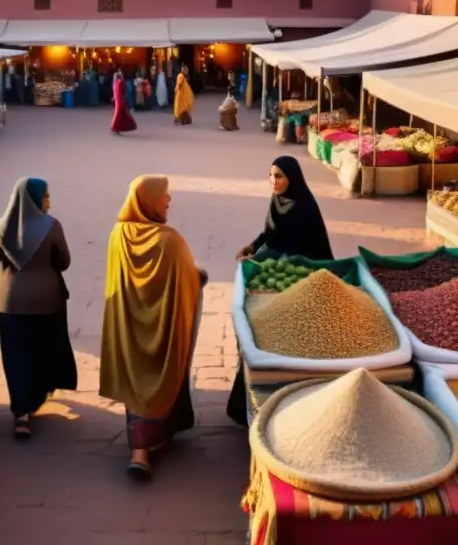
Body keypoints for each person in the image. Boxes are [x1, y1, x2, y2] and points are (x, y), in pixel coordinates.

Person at [100, 176, 207, 480]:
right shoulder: (170, 241)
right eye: (164, 195)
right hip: (162, 330)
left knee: (136, 382)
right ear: (148, 201)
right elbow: (189, 278)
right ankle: (146, 448)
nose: (169, 199)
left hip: (129, 329)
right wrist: (198, 276)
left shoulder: (117, 235)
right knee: (160, 379)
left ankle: (140, 447)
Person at [227, 156, 334, 426]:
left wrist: (256, 262)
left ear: (292, 179)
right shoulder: (278, 200)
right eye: (272, 175)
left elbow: (284, 248)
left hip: (302, 277)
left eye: (280, 177)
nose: (274, 182)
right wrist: (252, 247)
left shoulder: (302, 208)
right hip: (278, 274)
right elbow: (270, 234)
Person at [0, 178, 77, 439]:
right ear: (34, 199)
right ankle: (37, 397)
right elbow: (64, 262)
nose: (49, 201)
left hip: (8, 306)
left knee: (15, 357)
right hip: (46, 303)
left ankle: (21, 414)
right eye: (46, 196)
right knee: (42, 352)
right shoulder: (51, 227)